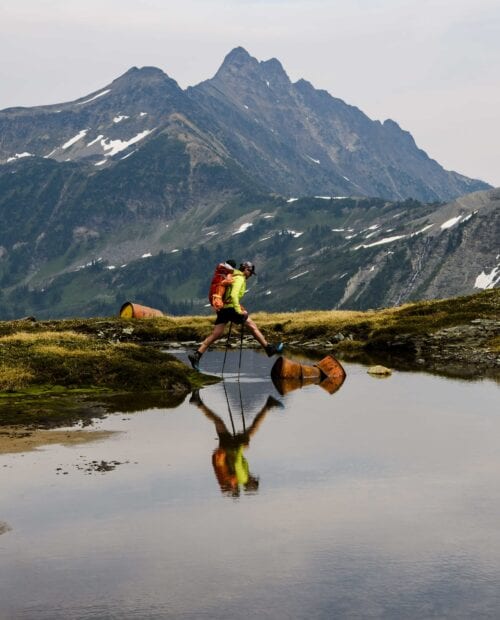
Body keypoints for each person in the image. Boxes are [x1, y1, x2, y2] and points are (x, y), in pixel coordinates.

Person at [188, 260, 283, 371]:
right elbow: (233, 296)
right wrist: (239, 311)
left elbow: (228, 294)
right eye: (250, 273)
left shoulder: (232, 275)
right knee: (252, 325)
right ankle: (268, 348)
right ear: (246, 269)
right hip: (231, 309)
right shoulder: (240, 278)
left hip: (223, 309)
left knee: (216, 334)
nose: (250, 275)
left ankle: (197, 355)